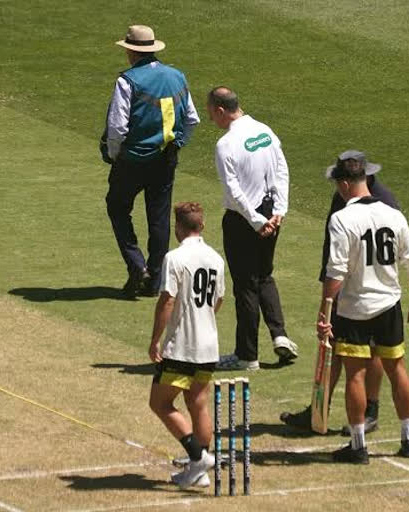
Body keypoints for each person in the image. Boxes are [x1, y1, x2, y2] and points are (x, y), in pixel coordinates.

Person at [316, 152, 409, 463]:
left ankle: (358, 445)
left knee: (355, 376)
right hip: (389, 304)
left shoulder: (342, 219)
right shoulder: (393, 214)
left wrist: (324, 313)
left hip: (354, 309)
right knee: (397, 368)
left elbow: (335, 272)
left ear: (345, 184)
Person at [281, 150, 400, 434]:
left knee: (371, 352)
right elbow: (332, 249)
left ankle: (370, 412)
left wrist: (330, 298)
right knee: (331, 347)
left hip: (367, 292)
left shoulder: (383, 202)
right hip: (345, 289)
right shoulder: (344, 198)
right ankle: (319, 409)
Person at [101, 25, 200, 299]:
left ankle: (137, 265)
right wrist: (177, 143)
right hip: (165, 158)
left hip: (132, 160)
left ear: (131, 51)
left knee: (117, 207)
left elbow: (117, 128)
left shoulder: (128, 81)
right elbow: (192, 119)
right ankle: (155, 280)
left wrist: (114, 154)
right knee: (158, 218)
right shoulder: (177, 76)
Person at [206, 86, 297, 370]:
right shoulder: (265, 131)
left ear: (221, 111)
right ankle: (279, 335)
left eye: (212, 115)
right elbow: (281, 172)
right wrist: (279, 210)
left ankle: (247, 355)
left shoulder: (226, 144)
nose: (212, 121)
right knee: (265, 275)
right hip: (272, 213)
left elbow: (234, 191)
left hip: (244, 220)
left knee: (245, 285)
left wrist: (257, 220)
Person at [148, 202, 225, 489]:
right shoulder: (216, 259)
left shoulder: (175, 257)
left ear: (178, 227)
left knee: (160, 402)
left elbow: (167, 300)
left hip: (182, 347)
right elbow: (218, 300)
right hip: (208, 346)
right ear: (201, 226)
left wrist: (156, 339)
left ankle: (198, 457)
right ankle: (199, 470)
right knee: (198, 403)